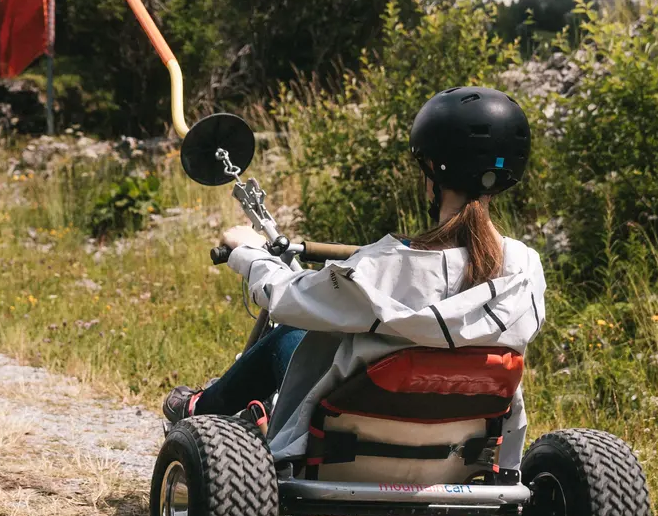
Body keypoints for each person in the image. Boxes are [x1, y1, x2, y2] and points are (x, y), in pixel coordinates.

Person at [162, 86, 547, 472]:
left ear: (431, 169)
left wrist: (247, 253)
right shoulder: (525, 268)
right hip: (466, 453)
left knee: (288, 335)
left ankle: (202, 407)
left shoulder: (383, 265)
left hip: (350, 445)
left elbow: (285, 296)